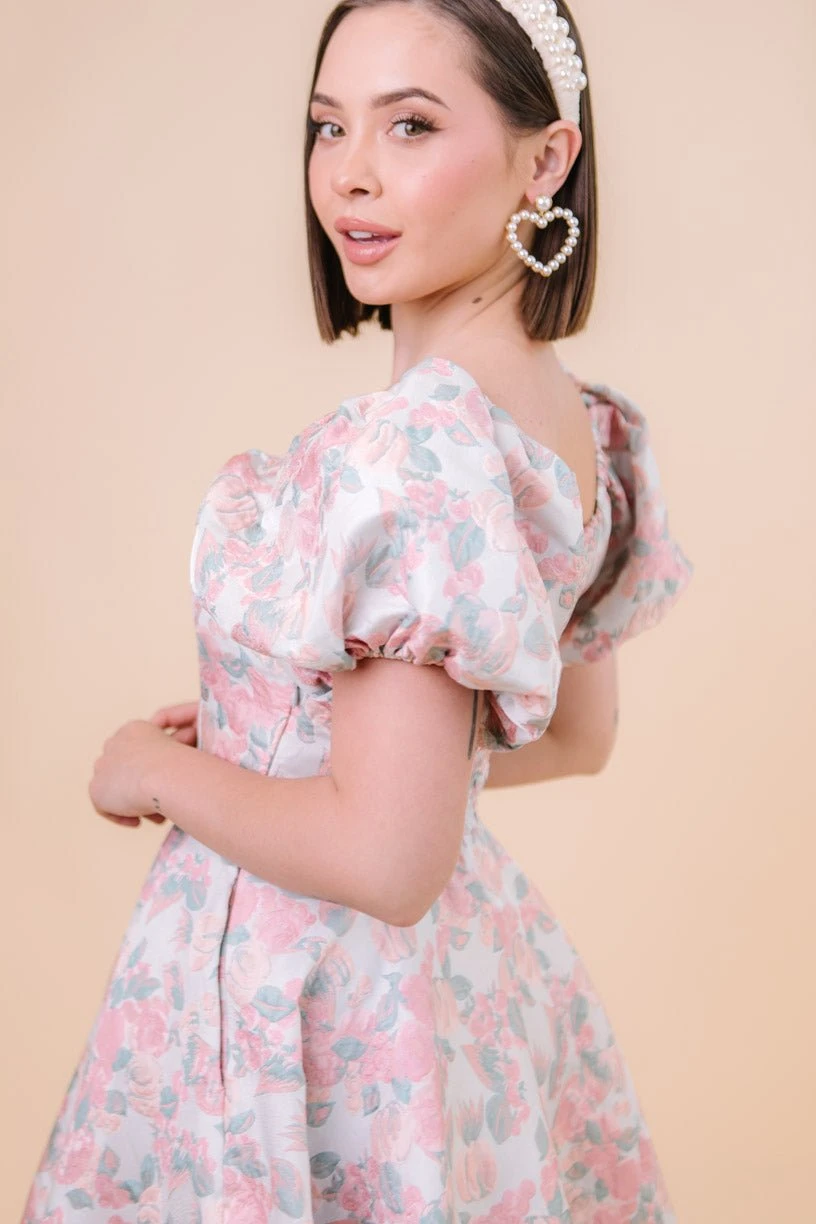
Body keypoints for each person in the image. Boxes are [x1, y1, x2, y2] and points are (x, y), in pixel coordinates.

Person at [20, 1, 694, 1221]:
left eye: (411, 125)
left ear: (547, 157)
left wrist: (159, 773)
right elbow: (572, 736)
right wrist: (299, 751)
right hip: (457, 1001)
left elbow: (386, 858)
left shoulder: (413, 452)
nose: (351, 176)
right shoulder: (574, 422)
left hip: (319, 1005)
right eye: (329, 126)